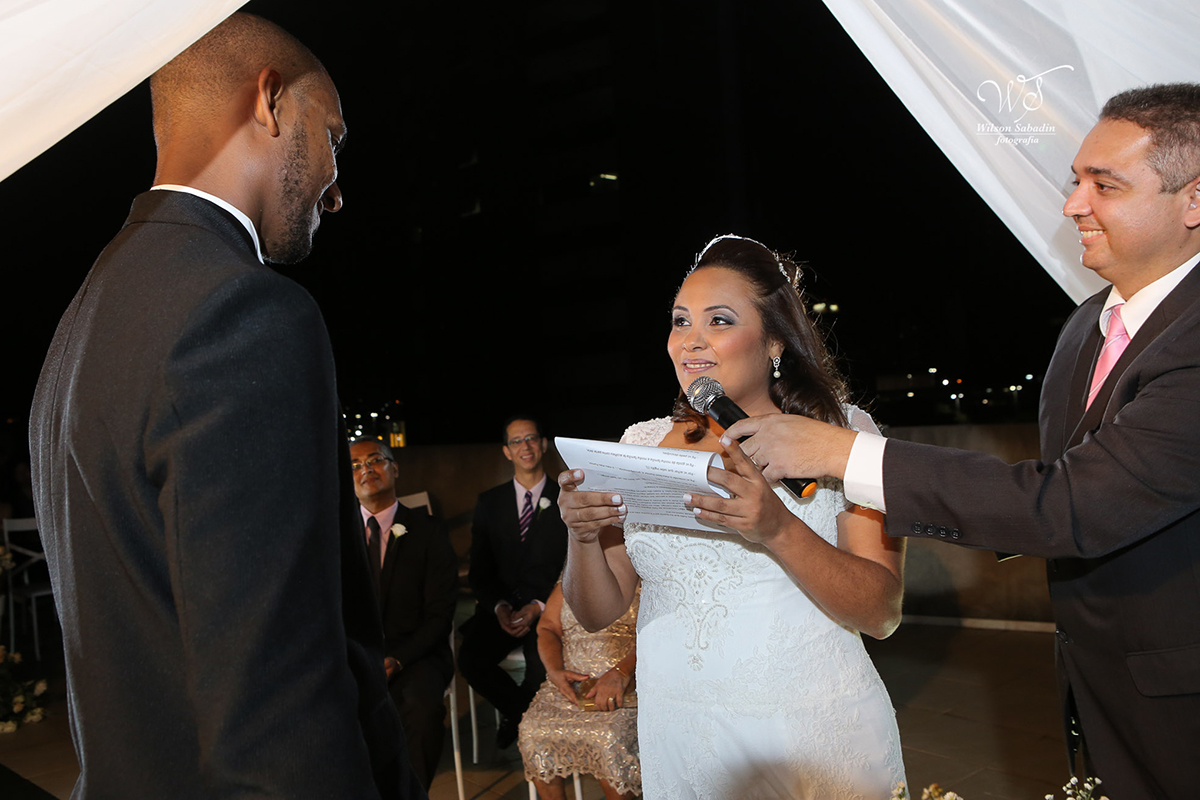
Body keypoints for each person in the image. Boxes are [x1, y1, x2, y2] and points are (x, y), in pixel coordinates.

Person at [714, 84, 1200, 800]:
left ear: (1194, 202)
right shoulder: (1085, 327)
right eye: (1075, 181)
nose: (1073, 204)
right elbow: (1056, 486)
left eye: (1106, 184)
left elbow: (1075, 503)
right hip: (1098, 694)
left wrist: (842, 454)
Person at [29, 14, 424, 799]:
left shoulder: (81, 324)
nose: (336, 188)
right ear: (270, 101)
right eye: (333, 138)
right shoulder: (242, 313)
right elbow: (279, 725)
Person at [559, 236, 906, 798]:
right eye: (679, 321)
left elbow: (881, 612)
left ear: (774, 341)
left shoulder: (844, 436)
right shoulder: (641, 444)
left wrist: (777, 529)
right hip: (681, 735)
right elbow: (599, 612)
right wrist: (580, 537)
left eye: (718, 321)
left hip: (806, 734)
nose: (690, 341)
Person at [351, 438, 459, 791]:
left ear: (394, 468)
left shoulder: (428, 531)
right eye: (355, 466)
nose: (366, 470)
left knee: (423, 711)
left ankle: (411, 793)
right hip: (356, 656)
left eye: (375, 461)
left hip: (417, 653)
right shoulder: (337, 538)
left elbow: (440, 614)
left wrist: (398, 658)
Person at [460, 416, 569, 749]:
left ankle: (523, 724)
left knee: (543, 666)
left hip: (547, 611)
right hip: (502, 611)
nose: (526, 447)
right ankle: (525, 718)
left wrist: (539, 607)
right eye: (517, 441)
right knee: (471, 659)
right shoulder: (489, 503)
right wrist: (500, 607)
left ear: (544, 444)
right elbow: (478, 568)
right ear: (506, 451)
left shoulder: (565, 497)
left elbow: (571, 567)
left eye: (531, 439)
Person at [519, 581, 640, 800]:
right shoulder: (574, 567)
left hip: (625, 681)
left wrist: (622, 672)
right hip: (569, 683)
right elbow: (547, 626)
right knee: (532, 731)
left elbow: (656, 633)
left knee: (607, 738)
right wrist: (555, 671)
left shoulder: (643, 568)